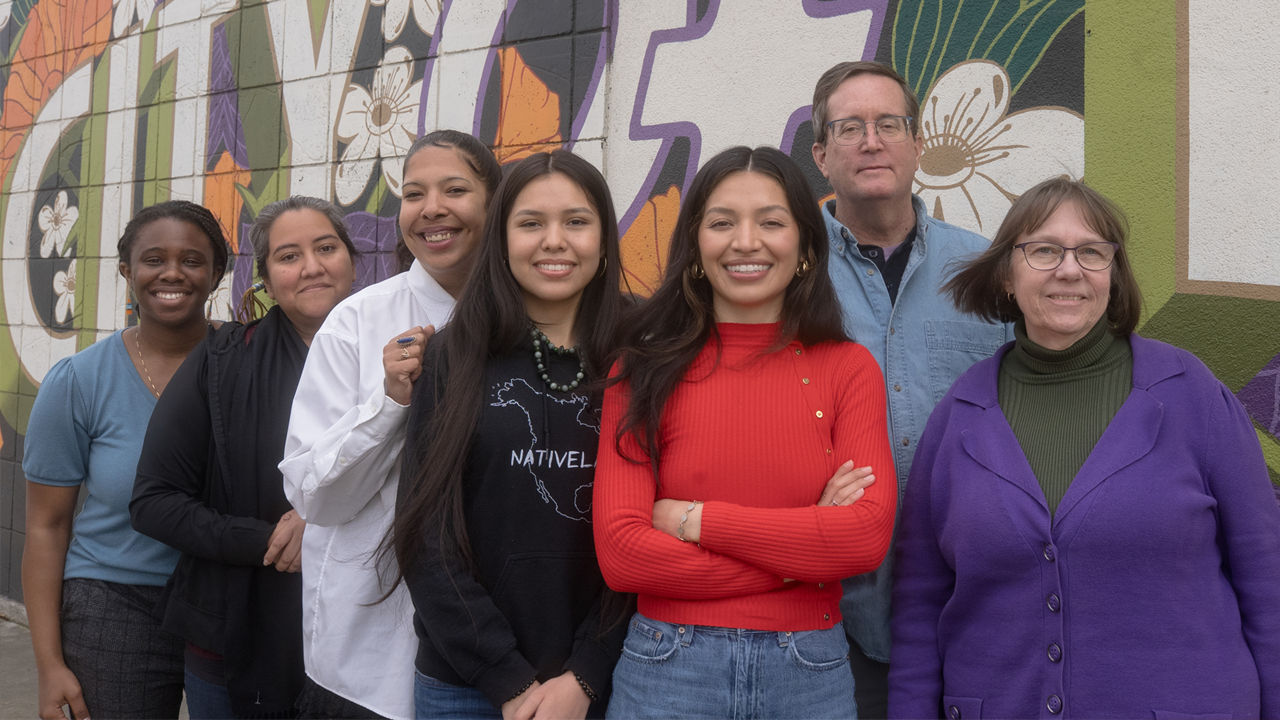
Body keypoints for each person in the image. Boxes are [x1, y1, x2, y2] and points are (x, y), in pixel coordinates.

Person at [889, 177, 1280, 718]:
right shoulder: (958, 417)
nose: (1069, 269)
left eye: (1092, 252)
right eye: (1044, 250)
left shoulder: (1191, 395)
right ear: (1006, 274)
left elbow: (1267, 578)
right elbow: (918, 607)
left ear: (1113, 276)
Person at [594, 146, 897, 719]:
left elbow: (862, 539)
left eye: (772, 222)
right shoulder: (639, 369)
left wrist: (694, 520)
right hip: (667, 669)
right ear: (695, 245)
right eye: (722, 222)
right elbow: (623, 557)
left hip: (808, 674)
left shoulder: (847, 367)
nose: (746, 241)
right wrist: (802, 557)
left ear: (806, 247)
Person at [808, 60, 1014, 716]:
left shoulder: (985, 270)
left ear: (918, 144)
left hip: (970, 604)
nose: (872, 140)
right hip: (826, 616)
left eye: (889, 123)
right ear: (821, 154)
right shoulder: (791, 273)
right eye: (850, 128)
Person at [393, 150, 628, 720]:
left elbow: (653, 530)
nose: (554, 241)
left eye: (576, 221)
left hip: (609, 679)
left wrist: (588, 673)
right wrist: (507, 680)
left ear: (603, 239)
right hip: (465, 686)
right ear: (501, 241)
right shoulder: (452, 354)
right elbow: (425, 534)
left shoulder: (644, 350)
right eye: (530, 224)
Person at [278, 130, 502, 720]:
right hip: (369, 665)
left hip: (499, 658)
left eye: (455, 189)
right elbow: (313, 495)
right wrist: (390, 404)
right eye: (413, 193)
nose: (432, 208)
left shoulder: (530, 325)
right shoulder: (357, 322)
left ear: (496, 202)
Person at [129, 196, 358, 718]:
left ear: (352, 259)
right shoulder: (222, 360)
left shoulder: (399, 358)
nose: (312, 267)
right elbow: (154, 502)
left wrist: (318, 525)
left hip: (365, 642)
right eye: (288, 255)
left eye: (326, 247)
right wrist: (269, 541)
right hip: (231, 633)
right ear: (266, 278)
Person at [22, 201, 230, 720]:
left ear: (216, 274)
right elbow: (47, 527)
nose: (173, 274)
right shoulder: (78, 382)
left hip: (230, 596)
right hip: (115, 604)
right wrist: (49, 664)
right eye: (153, 259)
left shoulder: (247, 363)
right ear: (127, 272)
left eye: (193, 260)